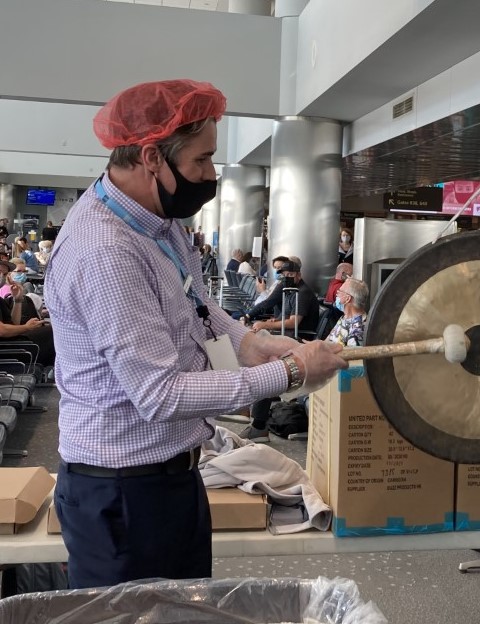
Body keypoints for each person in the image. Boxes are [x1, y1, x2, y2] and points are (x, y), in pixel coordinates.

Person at [44, 78, 348, 590]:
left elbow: (199, 308)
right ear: (150, 158)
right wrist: (288, 372)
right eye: (201, 161)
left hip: (174, 475)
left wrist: (251, 343)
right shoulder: (107, 251)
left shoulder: (160, 225)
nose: (211, 175)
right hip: (124, 495)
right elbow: (158, 394)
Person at [240, 259, 319, 336]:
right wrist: (277, 320)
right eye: (284, 275)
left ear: (299, 275)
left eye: (290, 274)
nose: (286, 278)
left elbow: (293, 323)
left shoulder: (302, 293)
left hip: (297, 336)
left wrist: (265, 325)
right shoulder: (290, 289)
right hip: (286, 333)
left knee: (253, 337)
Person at [327, 277, 368, 347]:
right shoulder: (345, 318)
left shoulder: (358, 329)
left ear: (348, 298)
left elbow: (353, 356)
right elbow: (327, 342)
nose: (337, 293)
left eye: (340, 291)